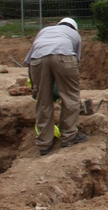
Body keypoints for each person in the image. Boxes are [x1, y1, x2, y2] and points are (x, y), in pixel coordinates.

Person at [23, 17, 87, 156]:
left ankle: (44, 144)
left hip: (37, 60)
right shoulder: (75, 35)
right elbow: (75, 61)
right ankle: (69, 136)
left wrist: (35, 87)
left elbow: (29, 59)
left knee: (43, 101)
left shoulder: (44, 31)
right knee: (70, 97)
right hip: (64, 56)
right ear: (74, 27)